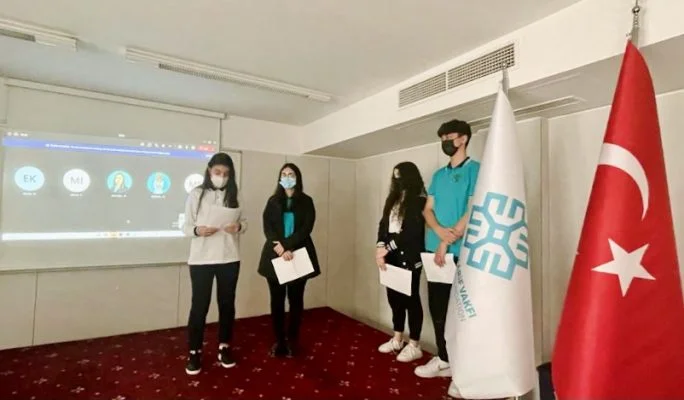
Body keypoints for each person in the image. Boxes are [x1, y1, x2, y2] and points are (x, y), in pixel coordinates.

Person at [415, 119, 480, 379]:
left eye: (449, 137)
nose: (445, 142)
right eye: (442, 138)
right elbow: (427, 209)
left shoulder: (475, 170)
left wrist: (446, 240)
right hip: (434, 252)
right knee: (438, 308)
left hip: (460, 252)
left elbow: (474, 208)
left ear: (463, 139)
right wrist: (438, 232)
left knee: (461, 311)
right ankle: (444, 358)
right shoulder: (438, 175)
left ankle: (463, 365)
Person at [182, 152, 247, 375]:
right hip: (201, 259)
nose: (222, 177)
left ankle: (224, 346)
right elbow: (186, 226)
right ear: (209, 170)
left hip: (229, 257)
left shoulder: (235, 194)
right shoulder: (196, 194)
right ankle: (194, 351)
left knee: (227, 304)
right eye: (218, 172)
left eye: (226, 174)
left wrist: (239, 227)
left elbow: (244, 222)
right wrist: (198, 230)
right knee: (199, 306)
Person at [258, 163, 320, 358]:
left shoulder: (306, 201)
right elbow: (268, 226)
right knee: (276, 301)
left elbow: (306, 228)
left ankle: (293, 340)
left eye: (291, 174)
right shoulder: (273, 201)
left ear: (297, 177)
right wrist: (280, 248)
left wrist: (287, 246)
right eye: (284, 174)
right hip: (275, 255)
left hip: (298, 254)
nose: (287, 177)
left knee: (296, 301)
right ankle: (279, 341)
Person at [375, 162, 427, 363]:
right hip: (391, 257)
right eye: (395, 176)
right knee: (394, 298)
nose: (397, 180)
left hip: (409, 256)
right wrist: (380, 247)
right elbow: (383, 224)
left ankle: (414, 344)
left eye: (401, 176)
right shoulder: (393, 198)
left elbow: (411, 231)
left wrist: (387, 248)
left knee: (411, 300)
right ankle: (397, 338)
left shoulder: (419, 200)